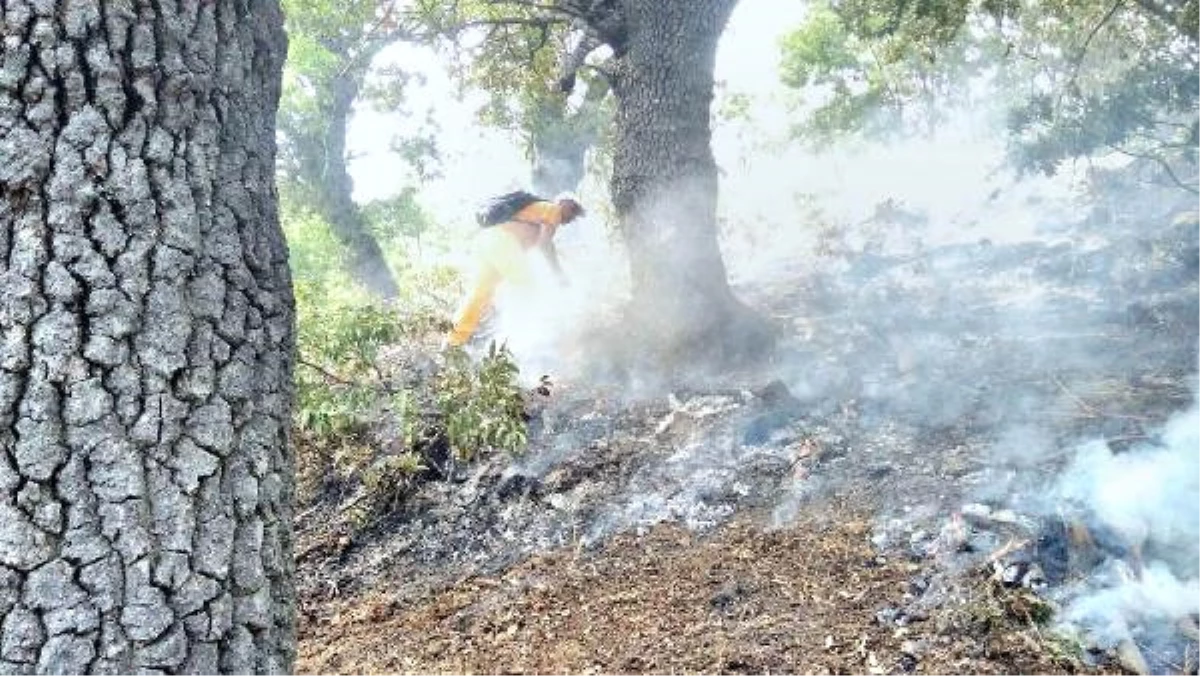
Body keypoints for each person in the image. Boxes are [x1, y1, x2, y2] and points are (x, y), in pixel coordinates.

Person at [445, 194, 586, 348]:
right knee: (527, 287)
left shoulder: (538, 211)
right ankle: (520, 341)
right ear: (564, 203)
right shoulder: (553, 210)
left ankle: (453, 343)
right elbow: (544, 244)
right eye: (573, 211)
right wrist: (558, 274)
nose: (571, 219)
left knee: (480, 296)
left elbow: (547, 245)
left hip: (488, 240)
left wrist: (560, 269)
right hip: (504, 243)